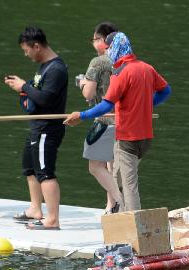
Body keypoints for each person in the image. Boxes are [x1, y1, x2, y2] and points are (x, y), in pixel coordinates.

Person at [64, 32, 171, 212]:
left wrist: (81, 115)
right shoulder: (146, 68)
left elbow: (106, 105)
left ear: (114, 48)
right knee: (118, 177)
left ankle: (135, 232)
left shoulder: (120, 73)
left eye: (108, 48)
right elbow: (165, 91)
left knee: (129, 187)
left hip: (128, 137)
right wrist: (146, 105)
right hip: (145, 137)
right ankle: (119, 217)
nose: (107, 52)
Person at [4, 26, 68, 230]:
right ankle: (35, 209)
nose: (26, 54)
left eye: (27, 50)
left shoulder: (56, 69)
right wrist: (24, 89)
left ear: (37, 46)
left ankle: (52, 219)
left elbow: (46, 99)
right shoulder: (44, 66)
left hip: (47, 129)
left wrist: (23, 86)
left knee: (45, 172)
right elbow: (37, 94)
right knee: (30, 167)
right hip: (36, 127)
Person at [78, 21, 122, 215]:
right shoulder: (123, 60)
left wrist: (82, 83)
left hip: (104, 120)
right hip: (123, 120)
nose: (93, 43)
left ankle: (122, 203)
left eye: (95, 39)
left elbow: (88, 94)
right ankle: (111, 206)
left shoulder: (98, 62)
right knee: (112, 168)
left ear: (104, 40)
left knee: (95, 166)